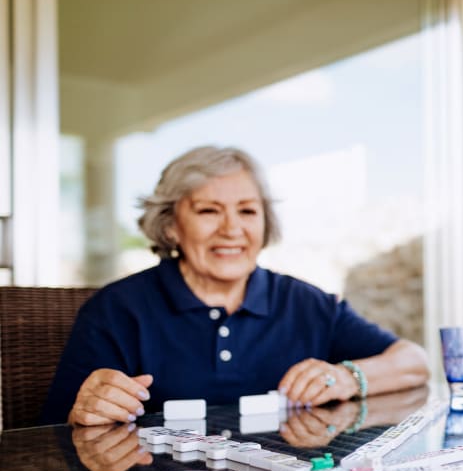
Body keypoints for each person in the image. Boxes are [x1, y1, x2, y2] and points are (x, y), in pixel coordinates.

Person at [43, 146, 429, 426]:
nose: (232, 229)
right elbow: (56, 428)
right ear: (172, 226)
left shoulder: (304, 303)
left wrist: (347, 377)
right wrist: (87, 407)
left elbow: (414, 363)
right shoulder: (115, 309)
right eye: (209, 211)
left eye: (247, 211)